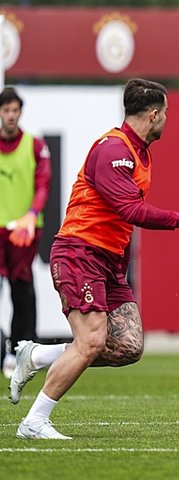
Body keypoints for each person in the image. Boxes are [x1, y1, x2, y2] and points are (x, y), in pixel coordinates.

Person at [10, 78, 179, 439]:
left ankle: (37, 356)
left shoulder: (140, 152)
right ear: (154, 115)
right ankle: (34, 421)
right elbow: (130, 210)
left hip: (108, 262)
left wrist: (119, 264)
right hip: (79, 253)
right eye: (166, 113)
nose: (167, 119)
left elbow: (119, 221)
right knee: (90, 341)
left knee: (128, 347)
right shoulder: (113, 149)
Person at [0, 87, 51, 379]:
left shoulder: (34, 146)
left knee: (22, 291)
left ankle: (23, 352)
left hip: (23, 231)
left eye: (14, 110)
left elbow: (43, 184)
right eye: (6, 110)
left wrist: (31, 214)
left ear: (20, 112)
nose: (10, 115)